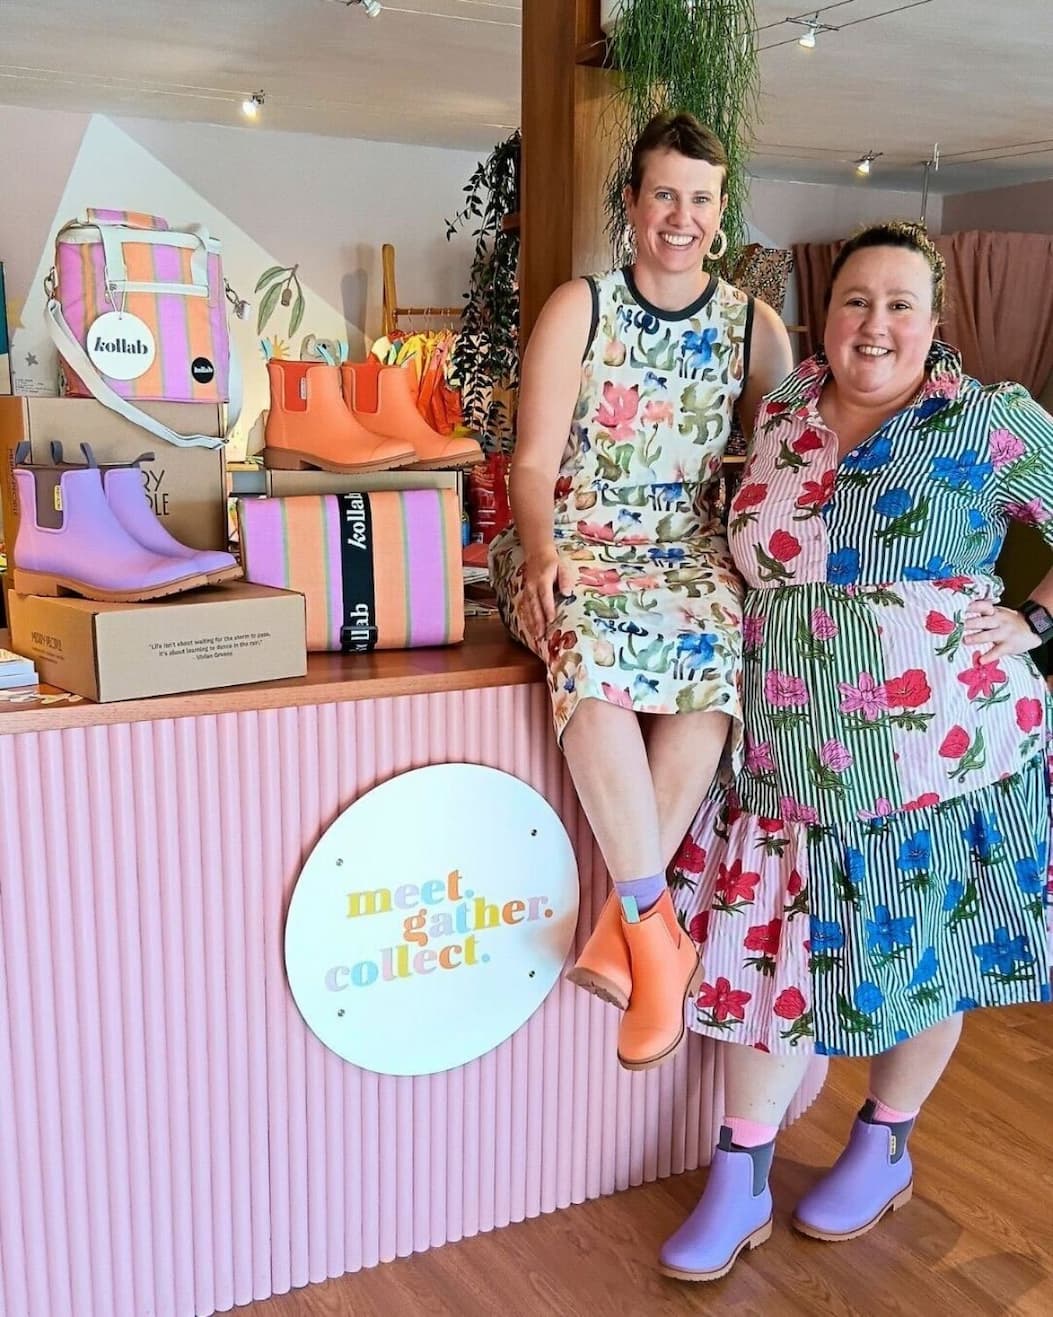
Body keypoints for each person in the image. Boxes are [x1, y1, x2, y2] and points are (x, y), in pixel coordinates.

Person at [659, 221, 1053, 1282]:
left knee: (930, 958)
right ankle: (740, 1175)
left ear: (934, 321)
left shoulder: (986, 418)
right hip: (782, 759)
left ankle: (883, 1142)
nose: (873, 323)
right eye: (854, 300)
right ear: (824, 315)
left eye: (898, 304)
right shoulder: (785, 408)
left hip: (939, 762)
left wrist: (1034, 620)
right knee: (766, 963)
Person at [489, 111, 792, 1070]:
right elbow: (530, 463)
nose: (681, 216)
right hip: (571, 534)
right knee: (581, 634)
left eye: (699, 198)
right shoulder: (579, 306)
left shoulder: (754, 326)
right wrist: (542, 550)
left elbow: (782, 465)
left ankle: (630, 931)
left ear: (719, 211)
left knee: (720, 655)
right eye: (663, 193)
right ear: (630, 202)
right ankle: (657, 933)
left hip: (686, 551)